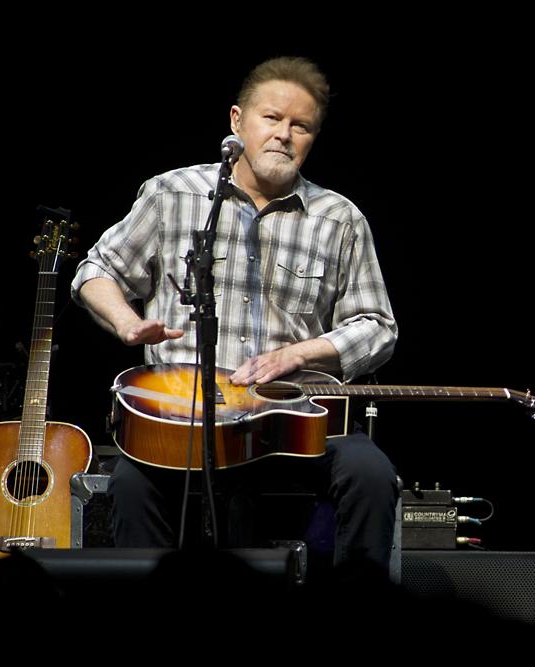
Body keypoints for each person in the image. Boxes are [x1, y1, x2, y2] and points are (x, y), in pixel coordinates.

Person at [71, 56, 400, 570]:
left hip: (292, 428)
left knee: (371, 473)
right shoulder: (172, 194)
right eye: (272, 119)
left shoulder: (339, 218)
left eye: (301, 126)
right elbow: (96, 271)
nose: (284, 135)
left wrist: (302, 353)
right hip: (186, 423)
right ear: (236, 121)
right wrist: (126, 322)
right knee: (132, 485)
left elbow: (378, 327)